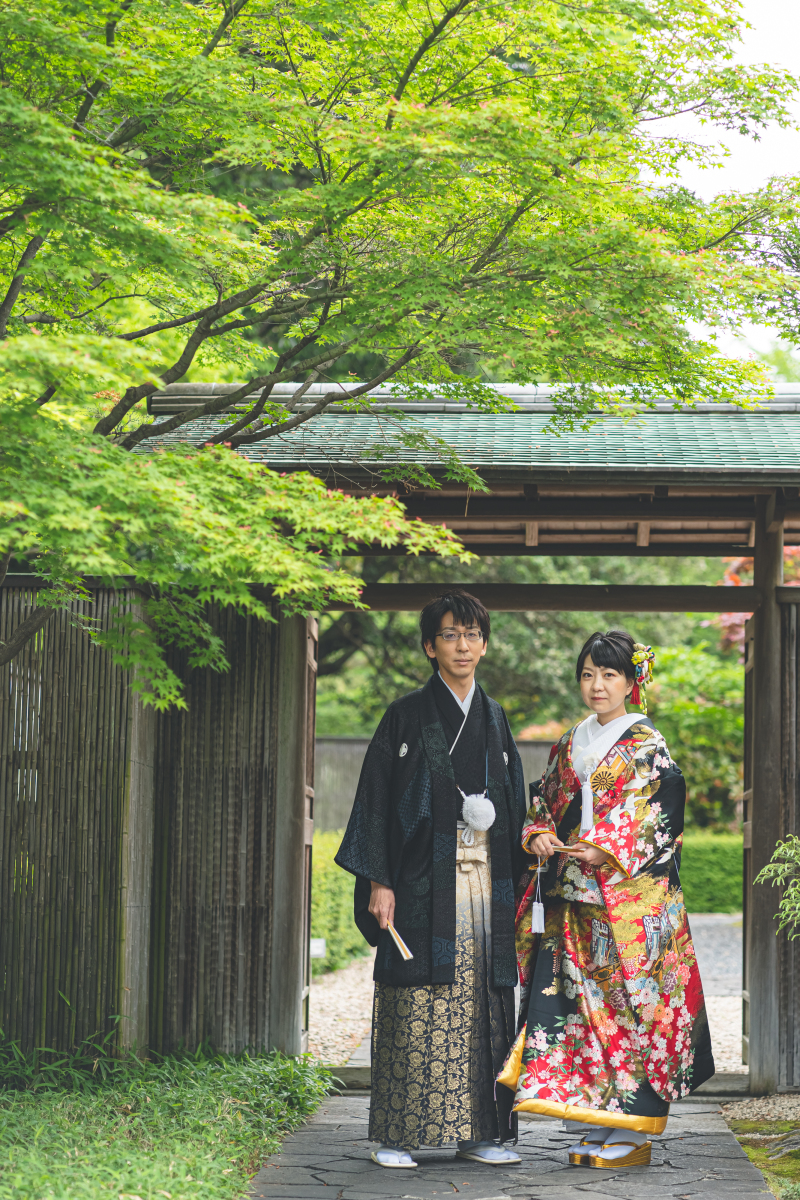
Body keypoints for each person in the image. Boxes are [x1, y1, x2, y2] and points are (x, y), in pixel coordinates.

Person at [499, 630, 714, 1168]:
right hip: (575, 893)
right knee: (580, 1006)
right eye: (589, 674)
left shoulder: (646, 744)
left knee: (630, 1009)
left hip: (629, 902)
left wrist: (609, 850)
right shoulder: (572, 740)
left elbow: (661, 809)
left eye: (609, 674)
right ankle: (600, 1118)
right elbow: (543, 802)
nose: (597, 685)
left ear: (631, 681)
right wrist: (540, 835)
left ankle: (637, 1130)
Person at [335, 591, 527, 1169]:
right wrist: (379, 879)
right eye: (449, 635)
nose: (462, 645)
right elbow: (376, 801)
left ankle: (481, 1133)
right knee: (414, 998)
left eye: (471, 635)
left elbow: (515, 802)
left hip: (485, 881)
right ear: (429, 647)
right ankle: (397, 1135)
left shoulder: (494, 717)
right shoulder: (405, 714)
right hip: (420, 884)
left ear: (485, 644)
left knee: (485, 1007)